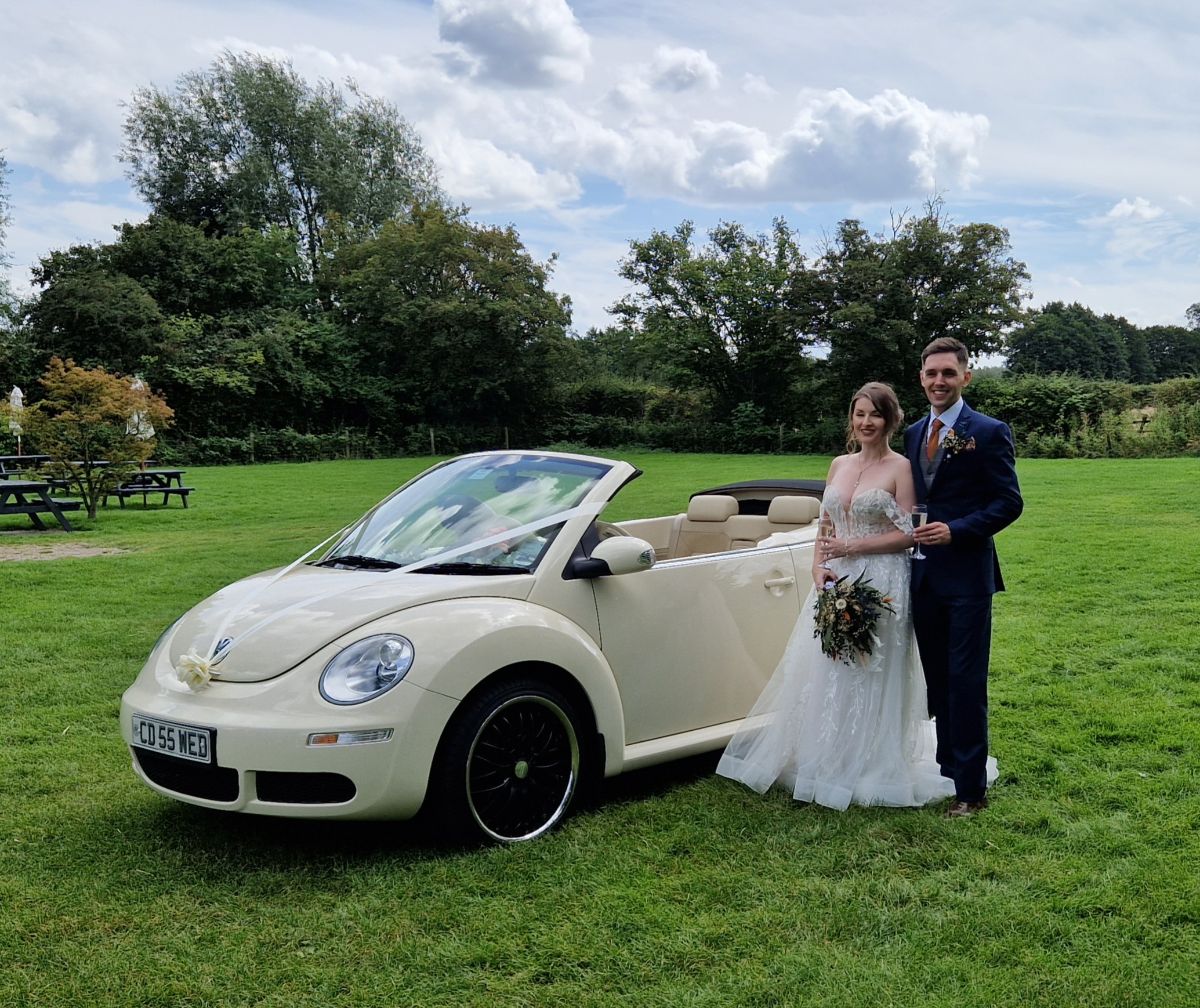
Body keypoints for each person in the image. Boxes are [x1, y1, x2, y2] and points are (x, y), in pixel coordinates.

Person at [717, 382, 984, 810]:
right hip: (835, 579)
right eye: (859, 415)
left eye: (874, 415)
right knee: (828, 667)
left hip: (883, 580)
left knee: (870, 668)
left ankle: (871, 761)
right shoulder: (839, 463)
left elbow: (909, 532)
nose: (865, 423)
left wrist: (854, 547)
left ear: (890, 420)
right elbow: (826, 521)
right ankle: (825, 755)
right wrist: (817, 564)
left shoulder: (900, 468)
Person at [907, 337, 1023, 818]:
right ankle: (947, 768)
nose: (939, 381)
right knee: (937, 680)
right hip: (921, 579)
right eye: (932, 373)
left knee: (966, 681)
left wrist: (956, 530)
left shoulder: (989, 431)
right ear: (921, 378)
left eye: (948, 373)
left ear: (966, 377)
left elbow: (1008, 502)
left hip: (969, 580)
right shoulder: (913, 432)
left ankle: (971, 792)